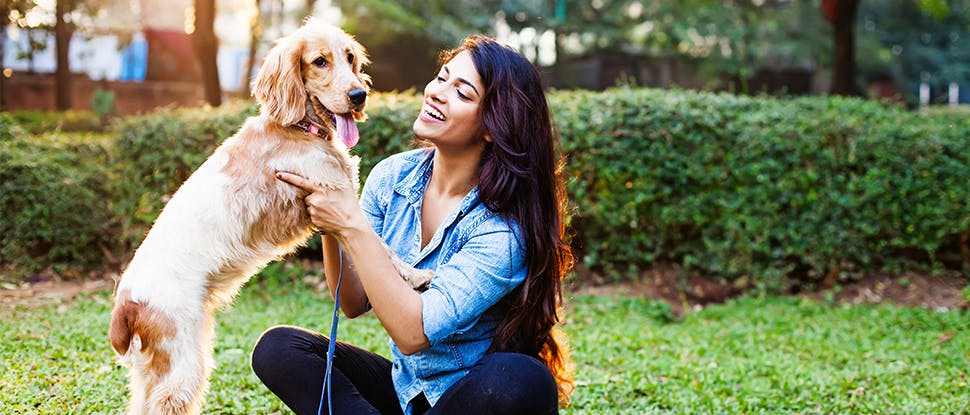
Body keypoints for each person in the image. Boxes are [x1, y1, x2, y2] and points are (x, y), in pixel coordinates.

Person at [251, 34, 574, 415]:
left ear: (492, 127)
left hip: (472, 396)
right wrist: (330, 221)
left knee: (521, 377)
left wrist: (351, 224)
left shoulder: (504, 229)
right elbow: (352, 301)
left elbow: (412, 334)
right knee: (280, 348)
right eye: (442, 77)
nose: (437, 93)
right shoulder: (392, 177)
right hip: (408, 394)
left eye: (463, 93)